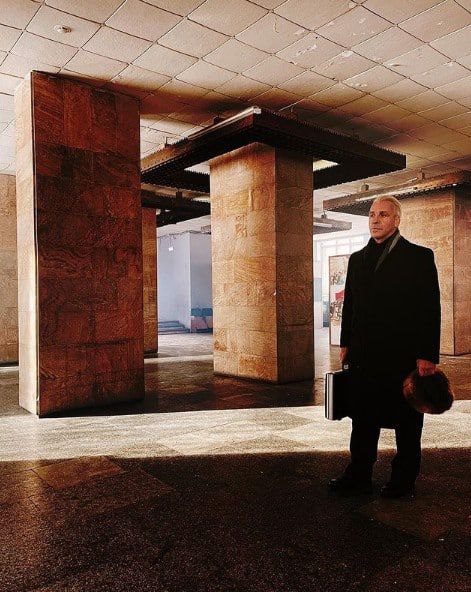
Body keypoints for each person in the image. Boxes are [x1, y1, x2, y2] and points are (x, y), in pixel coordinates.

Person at [329, 196, 441, 498]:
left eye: (383, 215)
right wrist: (345, 342)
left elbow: (430, 308)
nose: (375, 220)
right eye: (371, 215)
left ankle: (403, 479)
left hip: (402, 355)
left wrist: (428, 355)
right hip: (364, 355)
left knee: (407, 420)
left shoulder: (419, 257)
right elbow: (350, 305)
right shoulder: (357, 259)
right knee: (362, 417)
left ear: (397, 220)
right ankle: (359, 473)